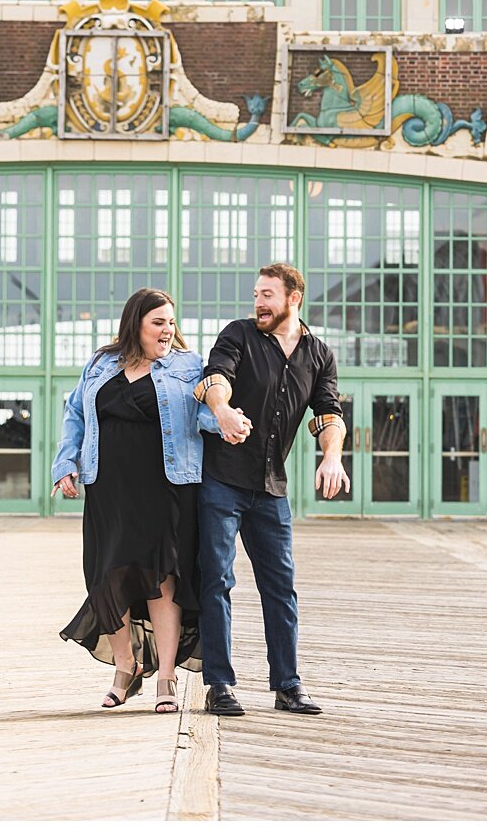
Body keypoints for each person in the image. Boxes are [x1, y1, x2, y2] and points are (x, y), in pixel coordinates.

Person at [52, 288, 217, 713]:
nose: (168, 330)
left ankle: (165, 676)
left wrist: (227, 418)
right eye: (158, 322)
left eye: (171, 323)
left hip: (165, 487)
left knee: (163, 580)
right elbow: (75, 415)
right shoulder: (100, 363)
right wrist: (65, 463)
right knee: (110, 578)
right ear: (136, 324)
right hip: (108, 488)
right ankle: (126, 666)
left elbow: (205, 411)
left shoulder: (188, 365)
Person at [193, 263, 346, 717]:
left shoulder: (319, 355)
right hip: (221, 480)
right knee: (218, 580)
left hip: (271, 488)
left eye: (267, 295)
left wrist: (332, 455)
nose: (258, 302)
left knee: (281, 587)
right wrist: (221, 411)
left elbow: (328, 414)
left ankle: (288, 685)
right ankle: (218, 684)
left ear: (293, 298)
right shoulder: (238, 335)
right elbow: (214, 378)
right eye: (256, 294)